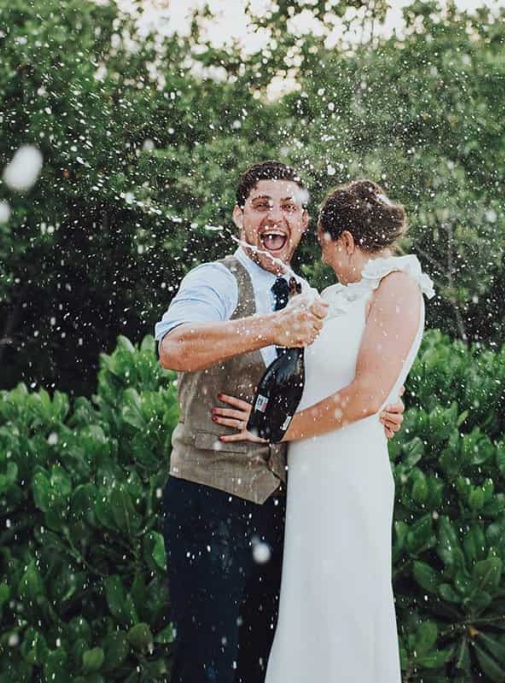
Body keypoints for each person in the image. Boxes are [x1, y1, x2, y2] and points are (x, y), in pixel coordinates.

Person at [155, 161, 405, 683]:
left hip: (286, 504)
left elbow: (331, 383)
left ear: (303, 221)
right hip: (210, 496)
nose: (275, 216)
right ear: (239, 216)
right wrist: (272, 325)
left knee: (264, 664)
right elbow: (174, 348)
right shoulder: (214, 279)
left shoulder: (310, 294)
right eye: (262, 205)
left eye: (289, 207)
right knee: (206, 664)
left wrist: (373, 408)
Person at [213, 179, 434, 682]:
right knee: (308, 603)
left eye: (326, 242)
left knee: (343, 607)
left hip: (348, 473)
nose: (323, 252)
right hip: (311, 474)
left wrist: (273, 431)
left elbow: (364, 396)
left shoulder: (398, 284)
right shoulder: (336, 294)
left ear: (348, 241)